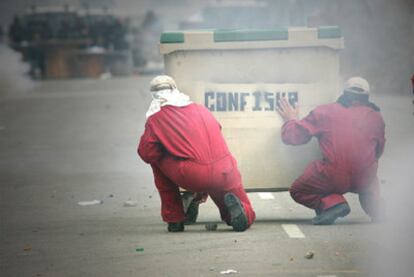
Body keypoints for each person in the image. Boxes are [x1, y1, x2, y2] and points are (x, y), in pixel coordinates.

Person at [138, 75, 256, 232]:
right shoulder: (201, 109)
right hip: (226, 169)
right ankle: (242, 214)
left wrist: (166, 142)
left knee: (157, 160)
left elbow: (147, 154)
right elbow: (217, 129)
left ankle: (175, 218)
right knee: (230, 195)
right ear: (175, 90)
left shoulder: (156, 118)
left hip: (192, 175)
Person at [277, 77, 386, 225]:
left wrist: (290, 120)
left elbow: (294, 137)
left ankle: (333, 203)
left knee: (298, 190)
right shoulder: (376, 117)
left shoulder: (325, 112)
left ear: (344, 93)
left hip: (333, 176)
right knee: (370, 179)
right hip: (364, 176)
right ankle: (378, 210)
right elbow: (378, 151)